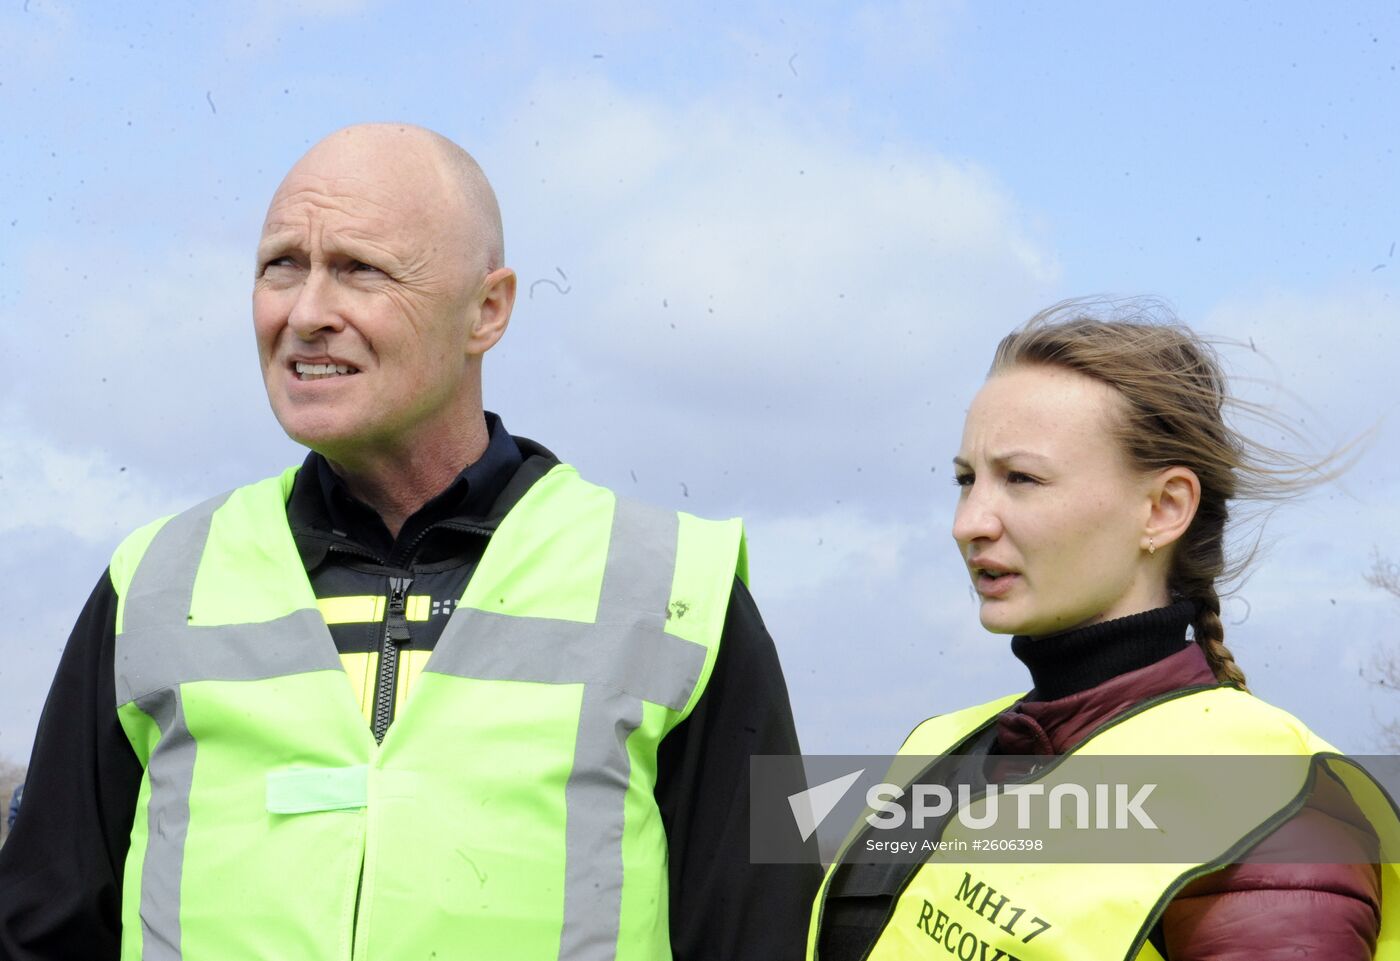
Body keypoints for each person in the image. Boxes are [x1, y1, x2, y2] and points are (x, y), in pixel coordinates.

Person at [0, 123, 819, 959]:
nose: (307, 312)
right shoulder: (151, 584)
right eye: (283, 263)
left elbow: (768, 929)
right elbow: (43, 930)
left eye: (360, 269)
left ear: (487, 310)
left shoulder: (685, 589)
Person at [807, 302, 1397, 960]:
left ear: (1164, 508)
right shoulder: (942, 744)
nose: (969, 521)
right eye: (966, 479)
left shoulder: (1280, 807)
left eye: (1021, 478)